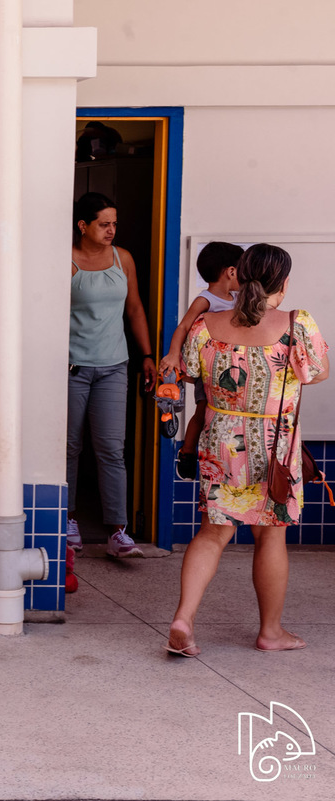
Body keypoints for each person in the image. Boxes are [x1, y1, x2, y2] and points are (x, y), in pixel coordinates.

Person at [166, 243, 329, 657]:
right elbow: (316, 373)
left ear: (238, 276)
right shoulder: (297, 323)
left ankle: (184, 617)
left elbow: (187, 372)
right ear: (284, 283)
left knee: (212, 533)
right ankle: (270, 632)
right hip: (274, 448)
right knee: (270, 536)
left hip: (221, 442)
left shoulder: (205, 325)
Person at [67, 192, 157, 557]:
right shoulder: (65, 260)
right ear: (83, 226)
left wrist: (146, 355)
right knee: (70, 447)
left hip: (114, 366)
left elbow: (134, 308)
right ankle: (68, 519)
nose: (111, 230)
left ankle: (118, 531)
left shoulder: (124, 259)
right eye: (104, 224)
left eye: (114, 224)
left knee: (111, 448)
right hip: (71, 366)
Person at [160, 241, 243, 480]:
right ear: (231, 271)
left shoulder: (238, 298)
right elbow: (184, 326)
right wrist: (174, 354)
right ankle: (187, 453)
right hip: (209, 370)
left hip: (232, 370)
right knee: (202, 410)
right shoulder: (205, 299)